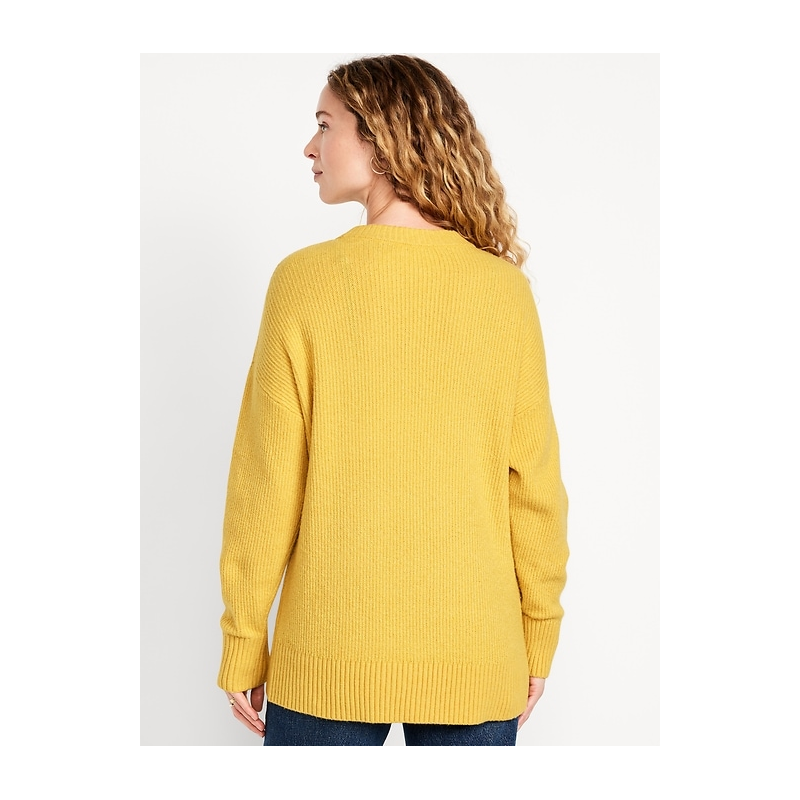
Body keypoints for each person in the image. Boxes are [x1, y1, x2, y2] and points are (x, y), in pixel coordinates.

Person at [218, 54, 569, 747]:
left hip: (328, 653)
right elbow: (534, 489)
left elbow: (266, 483)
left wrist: (244, 638)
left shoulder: (305, 282)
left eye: (325, 125)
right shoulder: (502, 292)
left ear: (379, 137)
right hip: (476, 651)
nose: (310, 146)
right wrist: (539, 632)